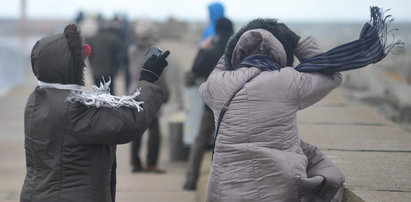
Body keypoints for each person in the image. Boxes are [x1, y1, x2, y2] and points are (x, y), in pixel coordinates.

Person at [20, 24, 170, 202]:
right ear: (64, 67)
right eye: (78, 62)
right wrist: (148, 79)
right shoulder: (72, 109)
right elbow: (131, 122)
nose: (83, 65)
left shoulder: (37, 100)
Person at [199, 19, 344, 201]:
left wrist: (230, 50)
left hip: (224, 191)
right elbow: (331, 74)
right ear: (282, 51)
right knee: (312, 158)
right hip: (280, 190)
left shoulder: (217, 83)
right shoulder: (288, 80)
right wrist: (298, 42)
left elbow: (206, 85)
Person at [183, 17, 234, 190]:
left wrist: (202, 49)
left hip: (211, 101)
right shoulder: (237, 51)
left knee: (200, 140)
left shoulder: (212, 51)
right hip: (233, 103)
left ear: (217, 31)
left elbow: (196, 69)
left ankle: (191, 179)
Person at [128, 21, 169, 173]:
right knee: (154, 129)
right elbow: (161, 76)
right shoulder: (157, 52)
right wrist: (166, 92)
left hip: (133, 90)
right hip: (150, 90)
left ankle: (135, 162)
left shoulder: (131, 50)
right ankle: (151, 163)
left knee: (135, 128)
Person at [86, 24, 122, 95]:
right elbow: (117, 57)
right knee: (110, 92)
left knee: (97, 93)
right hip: (110, 71)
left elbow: (90, 56)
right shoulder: (114, 39)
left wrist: (92, 66)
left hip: (96, 70)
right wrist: (116, 69)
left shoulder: (91, 39)